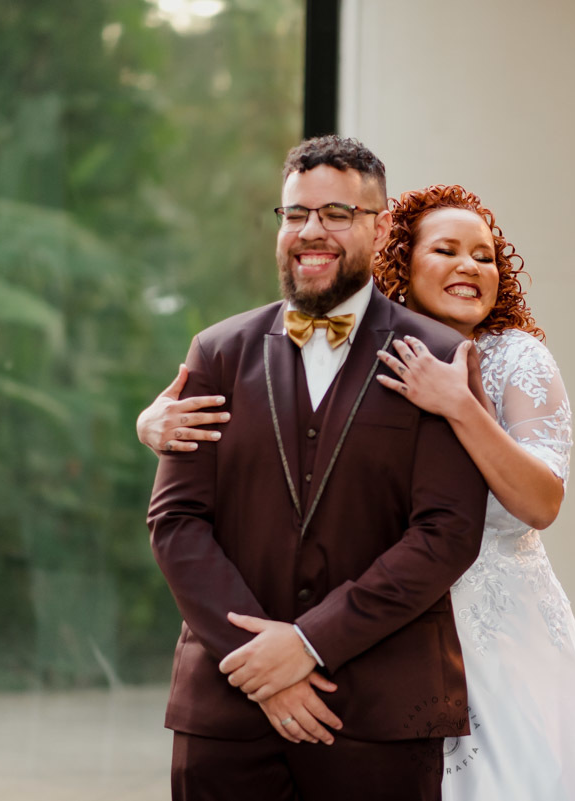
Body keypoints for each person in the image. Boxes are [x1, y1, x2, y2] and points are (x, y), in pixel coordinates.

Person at [142, 182, 575, 799]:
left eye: (485, 256)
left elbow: (541, 502)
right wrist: (149, 425)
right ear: (399, 260)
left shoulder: (517, 358)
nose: (470, 266)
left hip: (499, 639)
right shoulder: (353, 345)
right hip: (373, 631)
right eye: (447, 250)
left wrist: (458, 404)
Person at [146, 136, 488, 801]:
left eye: (336, 214)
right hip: (227, 714)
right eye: (296, 213)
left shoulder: (441, 356)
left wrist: (309, 643)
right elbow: (176, 523)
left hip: (379, 718)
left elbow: (446, 534)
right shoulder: (216, 352)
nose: (310, 232)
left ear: (379, 227)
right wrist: (259, 665)